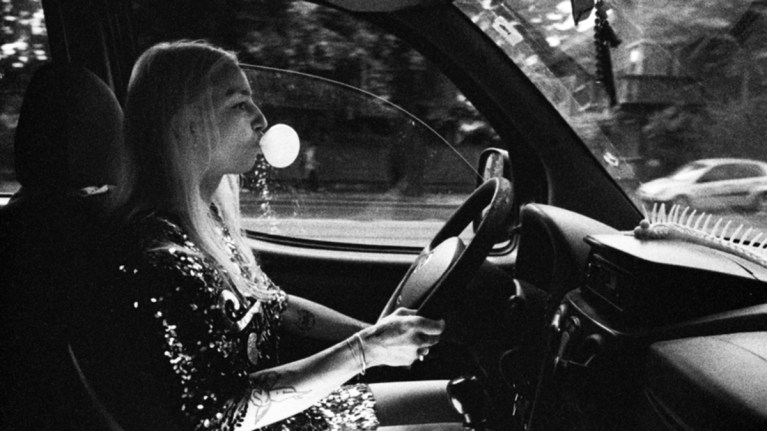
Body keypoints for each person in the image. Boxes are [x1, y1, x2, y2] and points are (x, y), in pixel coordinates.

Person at [95, 40, 453, 430]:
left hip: (286, 417)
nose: (261, 119)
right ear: (189, 126)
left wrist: (372, 334)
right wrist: (365, 351)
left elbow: (274, 305)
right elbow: (223, 414)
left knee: (463, 399)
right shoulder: (160, 258)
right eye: (239, 104)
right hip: (258, 420)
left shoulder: (205, 225)